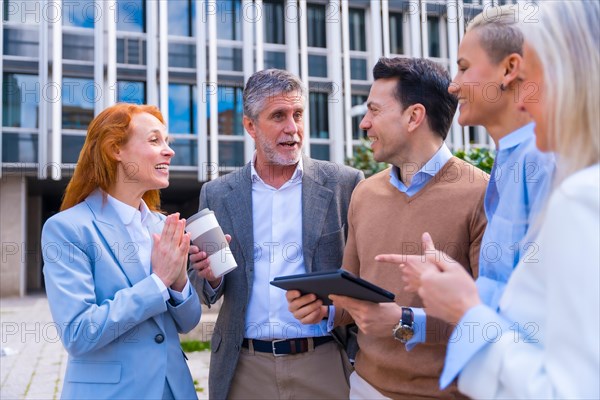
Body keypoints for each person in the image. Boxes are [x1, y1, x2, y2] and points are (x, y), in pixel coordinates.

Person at [383, 1, 599, 398]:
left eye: (464, 67)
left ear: (510, 70)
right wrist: (455, 289)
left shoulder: (555, 173)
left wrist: (465, 304)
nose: (453, 84)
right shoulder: (515, 162)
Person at [289, 57, 488, 399]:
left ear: (414, 117)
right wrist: (328, 310)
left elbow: (490, 320)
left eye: (374, 111)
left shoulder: (482, 194)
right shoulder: (364, 193)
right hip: (365, 387)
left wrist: (403, 321)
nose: (365, 123)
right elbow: (352, 296)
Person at [188, 69, 364, 399]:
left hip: (324, 358)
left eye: (298, 114)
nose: (292, 128)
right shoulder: (217, 194)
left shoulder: (345, 184)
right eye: (278, 116)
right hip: (244, 367)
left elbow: (363, 274)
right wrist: (210, 278)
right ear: (250, 126)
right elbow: (205, 290)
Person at [42, 103, 201, 399]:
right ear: (115, 149)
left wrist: (179, 283)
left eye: (167, 142)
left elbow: (188, 322)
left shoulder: (163, 225)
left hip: (175, 390)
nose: (169, 151)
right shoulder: (67, 229)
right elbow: (78, 333)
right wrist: (158, 282)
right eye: (155, 140)